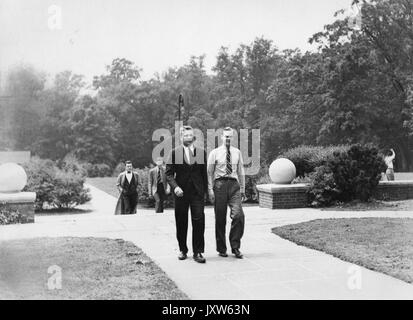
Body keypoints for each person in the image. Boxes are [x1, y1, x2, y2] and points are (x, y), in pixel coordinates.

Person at [165, 126, 208, 263]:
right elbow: (168, 174)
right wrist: (175, 187)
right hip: (181, 194)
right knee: (181, 222)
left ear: (193, 137)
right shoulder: (174, 153)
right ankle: (183, 250)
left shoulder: (201, 153)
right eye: (185, 135)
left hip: (197, 193)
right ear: (181, 137)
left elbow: (204, 174)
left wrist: (206, 192)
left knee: (199, 221)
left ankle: (198, 252)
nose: (188, 138)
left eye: (190, 135)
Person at [207, 127, 245, 259]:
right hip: (220, 185)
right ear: (222, 137)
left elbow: (241, 171)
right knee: (220, 218)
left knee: (238, 216)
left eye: (230, 136)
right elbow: (209, 172)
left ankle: (235, 247)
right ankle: (221, 248)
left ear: (233, 137)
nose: (228, 139)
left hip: (234, 185)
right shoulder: (215, 153)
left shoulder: (237, 152)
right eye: (226, 136)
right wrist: (210, 189)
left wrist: (243, 188)